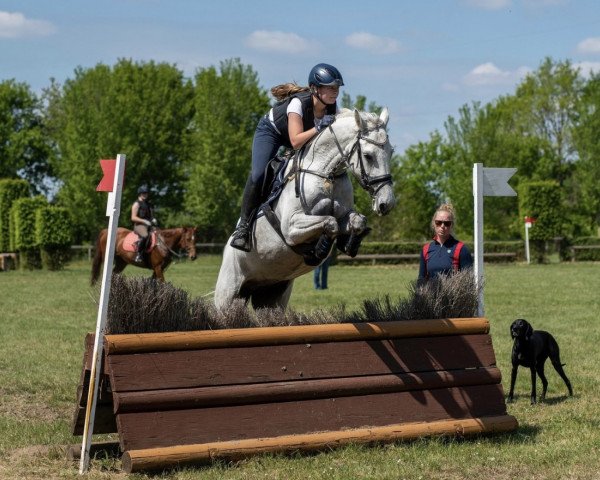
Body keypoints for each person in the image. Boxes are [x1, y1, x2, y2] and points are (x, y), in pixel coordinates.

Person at [230, 63, 344, 252]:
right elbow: (296, 141)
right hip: (272, 132)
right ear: (315, 89)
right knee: (259, 174)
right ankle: (243, 228)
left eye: (337, 88)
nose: (335, 92)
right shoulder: (298, 103)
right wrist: (318, 127)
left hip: (300, 136)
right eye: (330, 87)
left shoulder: (332, 108)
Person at [418, 203, 473, 281]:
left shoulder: (461, 249)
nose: (442, 226)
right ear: (434, 223)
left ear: (452, 225)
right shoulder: (426, 249)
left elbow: (469, 281)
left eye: (447, 223)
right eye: (438, 222)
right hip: (430, 293)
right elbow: (421, 279)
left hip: (453, 293)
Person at [131, 185, 157, 263]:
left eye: (146, 193)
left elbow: (150, 215)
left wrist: (153, 219)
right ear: (140, 194)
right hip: (139, 225)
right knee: (145, 235)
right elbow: (133, 217)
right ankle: (138, 255)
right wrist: (144, 221)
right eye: (143, 193)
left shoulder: (148, 204)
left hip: (149, 225)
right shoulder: (136, 204)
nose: (145, 194)